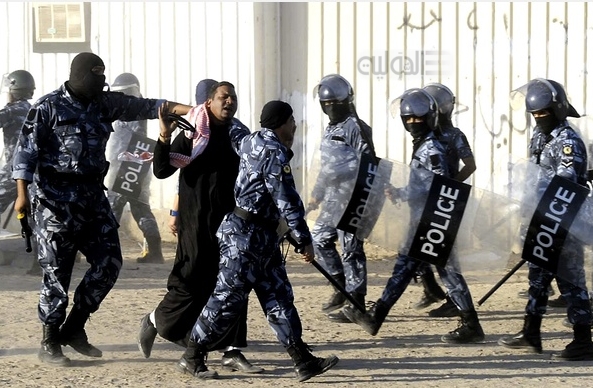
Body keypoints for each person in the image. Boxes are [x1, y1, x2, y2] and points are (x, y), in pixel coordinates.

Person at [11, 52, 192, 366]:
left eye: (102, 74)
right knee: (57, 273)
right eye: (94, 74)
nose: (101, 81)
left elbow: (149, 106)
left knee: (109, 264)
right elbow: (25, 153)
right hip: (56, 201)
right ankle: (50, 340)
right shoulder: (48, 107)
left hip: (93, 197)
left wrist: (196, 111)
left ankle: (75, 326)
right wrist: (22, 195)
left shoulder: (104, 103)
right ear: (79, 75)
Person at [170, 99, 339, 381]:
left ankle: (303, 360)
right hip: (245, 238)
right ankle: (192, 356)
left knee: (279, 296)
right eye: (292, 120)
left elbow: (232, 128)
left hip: (261, 236)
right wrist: (304, 239)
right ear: (282, 123)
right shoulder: (274, 152)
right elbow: (286, 199)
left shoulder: (250, 140)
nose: (295, 125)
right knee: (226, 300)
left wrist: (209, 109)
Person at [137, 80, 262, 373]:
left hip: (230, 221)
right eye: (223, 97)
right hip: (195, 221)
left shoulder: (238, 135)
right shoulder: (194, 132)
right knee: (193, 281)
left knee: (234, 281)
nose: (229, 101)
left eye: (233, 97)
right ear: (209, 102)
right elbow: (162, 169)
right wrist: (165, 136)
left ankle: (232, 350)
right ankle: (155, 320)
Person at [343, 88, 486, 344]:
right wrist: (401, 192)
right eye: (408, 119)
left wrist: (403, 193)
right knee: (432, 269)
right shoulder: (426, 144)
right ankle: (468, 322)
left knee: (423, 267)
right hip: (425, 219)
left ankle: (379, 314)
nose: (412, 123)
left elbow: (434, 184)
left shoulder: (431, 148)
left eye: (417, 119)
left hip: (430, 220)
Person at [498, 78, 593, 360]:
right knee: (538, 279)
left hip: (565, 223)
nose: (540, 119)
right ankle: (531, 334)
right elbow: (534, 175)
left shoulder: (568, 142)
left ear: (559, 109)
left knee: (571, 281)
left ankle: (583, 341)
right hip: (542, 219)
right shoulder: (541, 137)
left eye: (544, 113)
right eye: (535, 115)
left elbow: (566, 184)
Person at [307, 74, 374, 323]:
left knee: (351, 250)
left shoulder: (357, 128)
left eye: (335, 103)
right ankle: (340, 286)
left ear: (346, 101)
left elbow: (368, 164)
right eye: (327, 104)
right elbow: (327, 166)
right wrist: (317, 194)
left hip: (353, 198)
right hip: (333, 199)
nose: (331, 108)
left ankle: (357, 302)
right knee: (320, 240)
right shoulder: (331, 128)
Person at [413, 82, 477, 318]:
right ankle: (435, 290)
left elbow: (470, 165)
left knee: (445, 253)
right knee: (421, 248)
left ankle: (453, 299)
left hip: (442, 201)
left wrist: (450, 186)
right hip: (427, 199)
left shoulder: (452, 135)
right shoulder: (427, 135)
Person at [105, 72, 164, 264]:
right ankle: (155, 252)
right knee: (141, 209)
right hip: (137, 164)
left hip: (126, 165)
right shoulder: (135, 109)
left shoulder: (130, 111)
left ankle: (106, 253)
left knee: (112, 211)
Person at [0, 70, 40, 275]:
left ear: (13, 90)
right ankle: (39, 263)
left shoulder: (11, 110)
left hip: (13, 172)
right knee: (35, 215)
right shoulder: (35, 110)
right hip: (34, 172)